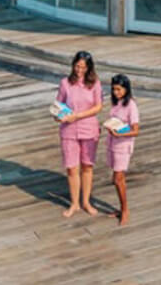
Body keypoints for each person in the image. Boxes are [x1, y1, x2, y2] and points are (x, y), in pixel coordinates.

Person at [55, 50, 103, 218]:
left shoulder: (95, 83)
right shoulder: (65, 83)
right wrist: (58, 116)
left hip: (89, 128)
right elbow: (58, 106)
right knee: (71, 167)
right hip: (69, 131)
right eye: (77, 66)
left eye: (83, 67)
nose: (79, 70)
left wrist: (78, 115)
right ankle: (74, 203)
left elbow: (98, 107)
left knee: (87, 166)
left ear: (89, 68)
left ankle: (86, 202)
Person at [105, 73, 141, 226]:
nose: (116, 93)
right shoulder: (116, 103)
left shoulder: (131, 106)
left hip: (122, 145)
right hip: (112, 143)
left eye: (119, 89)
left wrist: (120, 133)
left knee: (119, 178)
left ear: (126, 89)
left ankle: (125, 209)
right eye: (114, 89)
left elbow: (136, 130)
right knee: (116, 178)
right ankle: (121, 208)